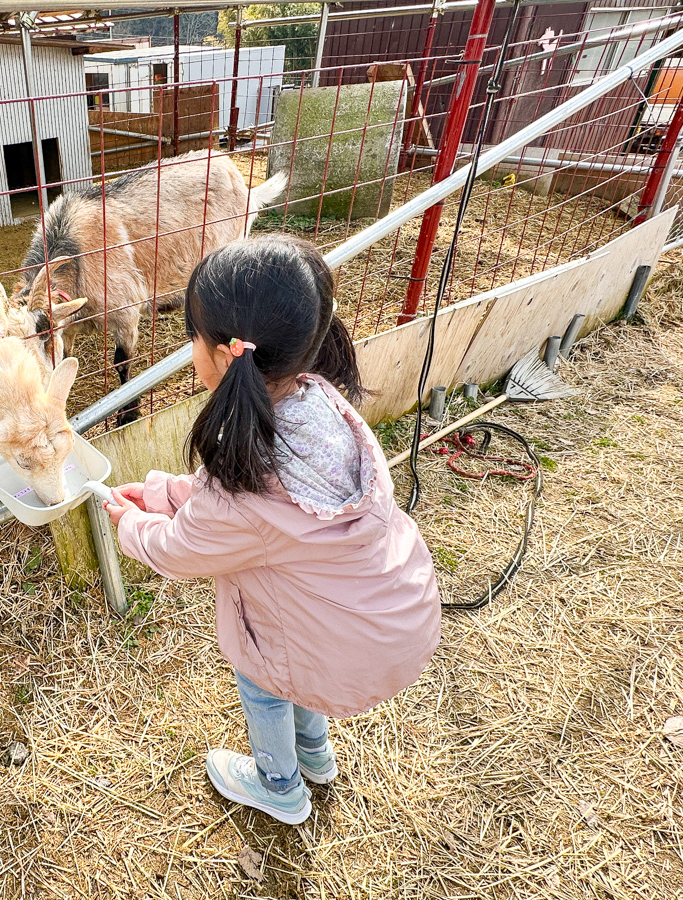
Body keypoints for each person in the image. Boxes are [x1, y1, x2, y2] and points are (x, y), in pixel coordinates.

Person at [103, 235, 441, 825]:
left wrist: (131, 521)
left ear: (224, 355)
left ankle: (280, 786)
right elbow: (235, 512)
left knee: (263, 679)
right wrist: (163, 493)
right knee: (296, 662)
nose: (190, 350)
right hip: (377, 616)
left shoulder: (245, 484)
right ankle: (315, 755)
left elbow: (179, 549)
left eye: (192, 337)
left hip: (339, 638)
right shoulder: (318, 401)